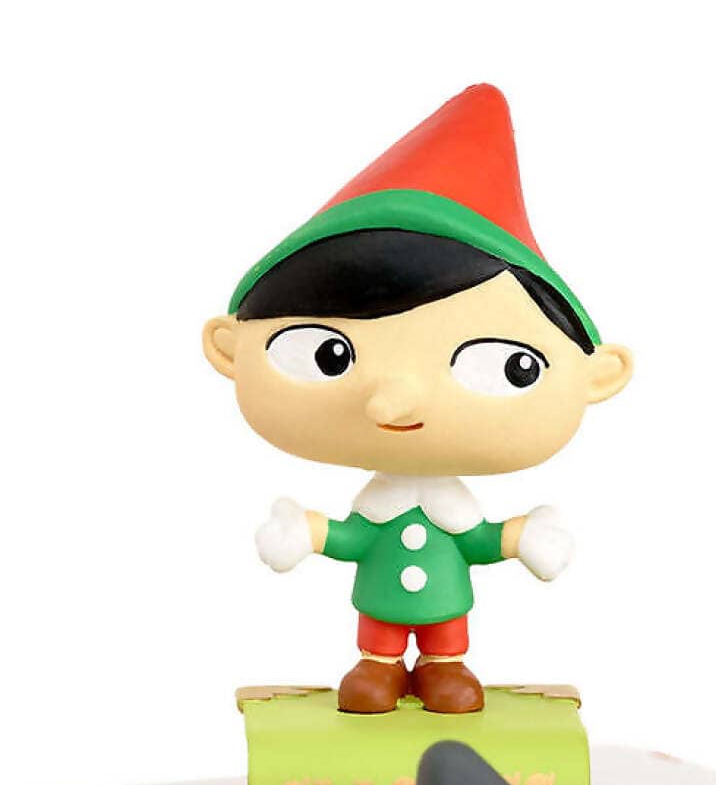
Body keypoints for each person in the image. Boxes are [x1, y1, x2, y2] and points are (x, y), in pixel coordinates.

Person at [203, 84, 633, 714]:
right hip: (379, 611)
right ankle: (378, 668)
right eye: (328, 355)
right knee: (377, 647)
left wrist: (521, 536)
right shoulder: (379, 506)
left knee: (446, 645)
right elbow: (350, 537)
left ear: (600, 375)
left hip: (445, 613)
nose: (391, 403)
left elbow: (477, 541)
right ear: (227, 348)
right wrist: (307, 532)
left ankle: (442, 667)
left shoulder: (446, 509)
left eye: (507, 365)